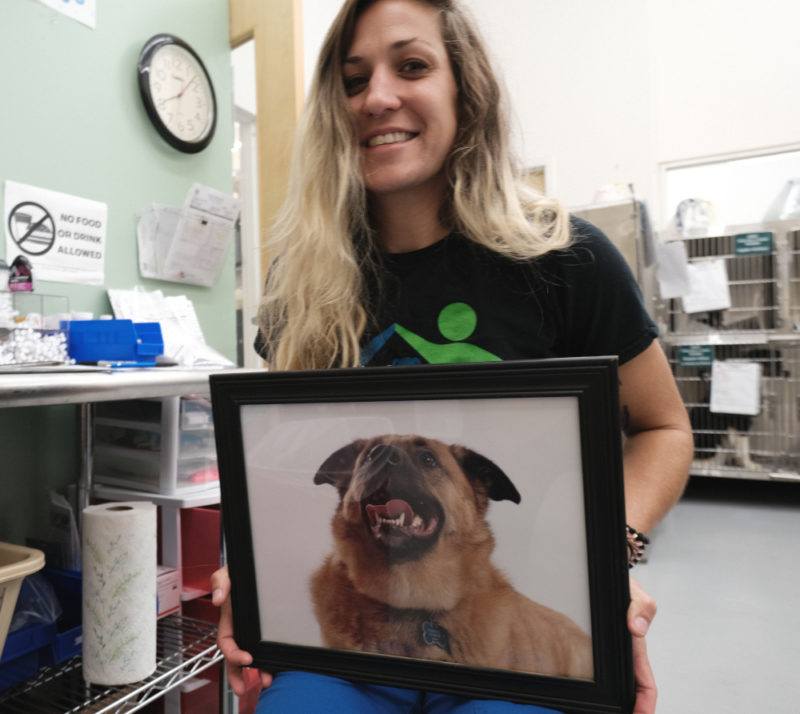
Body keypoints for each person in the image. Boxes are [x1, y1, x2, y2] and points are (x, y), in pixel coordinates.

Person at [212, 0, 693, 711]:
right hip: (346, 653)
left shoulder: (566, 259)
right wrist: (244, 579)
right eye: (352, 80)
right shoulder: (298, 284)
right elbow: (277, 463)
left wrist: (611, 550)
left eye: (411, 66)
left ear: (465, 91)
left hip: (516, 643)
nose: (377, 98)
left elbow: (664, 428)